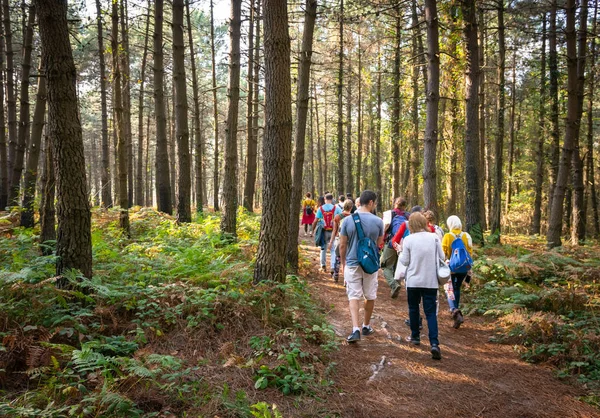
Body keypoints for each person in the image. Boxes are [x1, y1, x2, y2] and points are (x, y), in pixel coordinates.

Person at [339, 190, 384, 343]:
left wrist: (343, 263)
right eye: (375, 203)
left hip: (352, 262)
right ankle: (366, 325)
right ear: (371, 202)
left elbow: (342, 245)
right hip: (370, 264)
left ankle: (355, 329)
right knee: (369, 295)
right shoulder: (378, 222)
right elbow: (378, 245)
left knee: (353, 295)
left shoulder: (347, 221)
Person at [398, 212, 444, 360]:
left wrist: (400, 251)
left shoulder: (409, 239)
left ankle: (415, 336)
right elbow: (442, 257)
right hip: (430, 281)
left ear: (411, 225)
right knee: (430, 313)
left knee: (413, 308)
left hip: (413, 281)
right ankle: (434, 343)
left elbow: (404, 261)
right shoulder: (434, 238)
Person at [442, 215, 474, 329]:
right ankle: (457, 311)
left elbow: (443, 252)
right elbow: (470, 252)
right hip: (463, 267)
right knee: (457, 287)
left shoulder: (447, 236)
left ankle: (454, 309)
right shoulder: (466, 236)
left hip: (452, 267)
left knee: (449, 288)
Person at [380, 197, 410, 298]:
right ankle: (395, 287)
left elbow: (385, 227)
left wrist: (381, 239)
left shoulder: (389, 213)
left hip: (391, 243)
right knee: (398, 268)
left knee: (385, 266)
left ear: (395, 204)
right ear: (405, 206)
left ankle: (394, 285)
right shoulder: (408, 216)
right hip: (404, 245)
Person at [312, 193, 342, 272]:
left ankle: (323, 265)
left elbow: (315, 220)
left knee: (323, 248)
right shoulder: (336, 208)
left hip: (323, 231)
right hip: (334, 231)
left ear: (325, 199)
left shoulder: (321, 209)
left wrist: (313, 229)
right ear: (332, 199)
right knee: (333, 250)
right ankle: (332, 266)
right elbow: (341, 217)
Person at [328, 199, 353, 283]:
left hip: (339, 239)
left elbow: (334, 230)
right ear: (351, 207)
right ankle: (346, 279)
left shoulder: (338, 217)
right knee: (348, 259)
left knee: (338, 258)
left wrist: (331, 242)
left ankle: (336, 275)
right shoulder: (353, 217)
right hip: (350, 240)